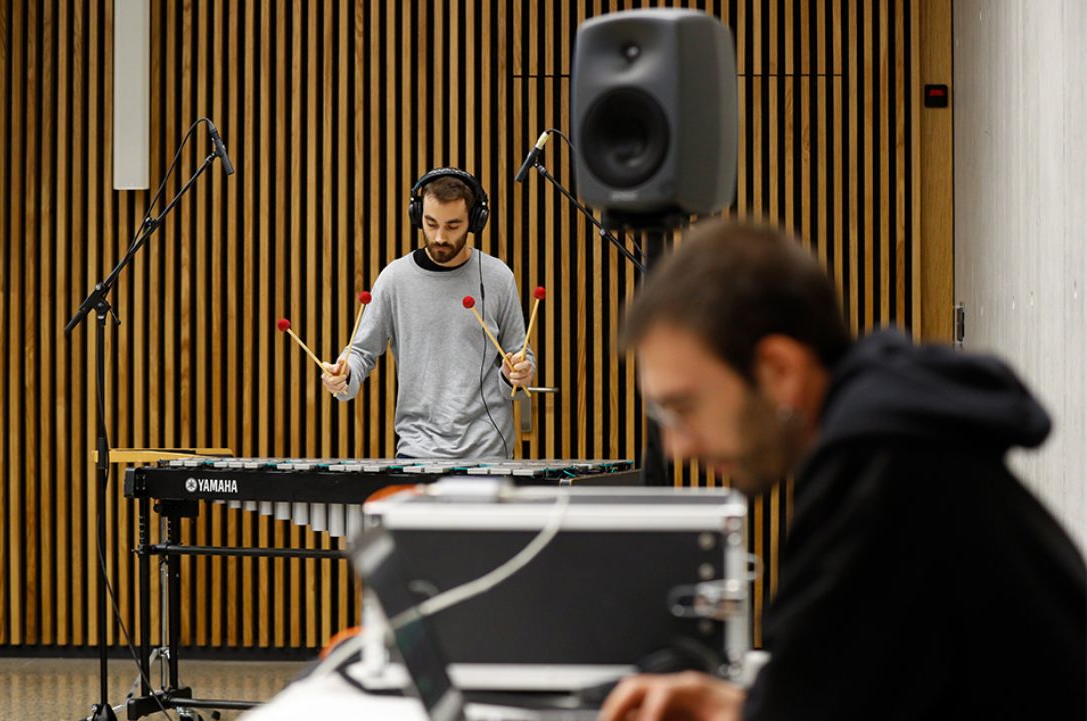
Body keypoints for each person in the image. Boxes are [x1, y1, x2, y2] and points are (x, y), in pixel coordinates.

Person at [600, 219, 1086, 721]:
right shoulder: (900, 444)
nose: (676, 448)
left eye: (685, 408)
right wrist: (746, 706)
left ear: (779, 371)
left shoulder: (881, 478)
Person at [321, 168, 535, 458]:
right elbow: (359, 353)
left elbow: (520, 354)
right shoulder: (395, 278)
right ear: (417, 215)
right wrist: (344, 375)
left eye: (453, 226)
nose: (439, 237)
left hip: (488, 453)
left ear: (474, 222)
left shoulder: (498, 277)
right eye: (431, 223)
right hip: (418, 451)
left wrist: (518, 373)